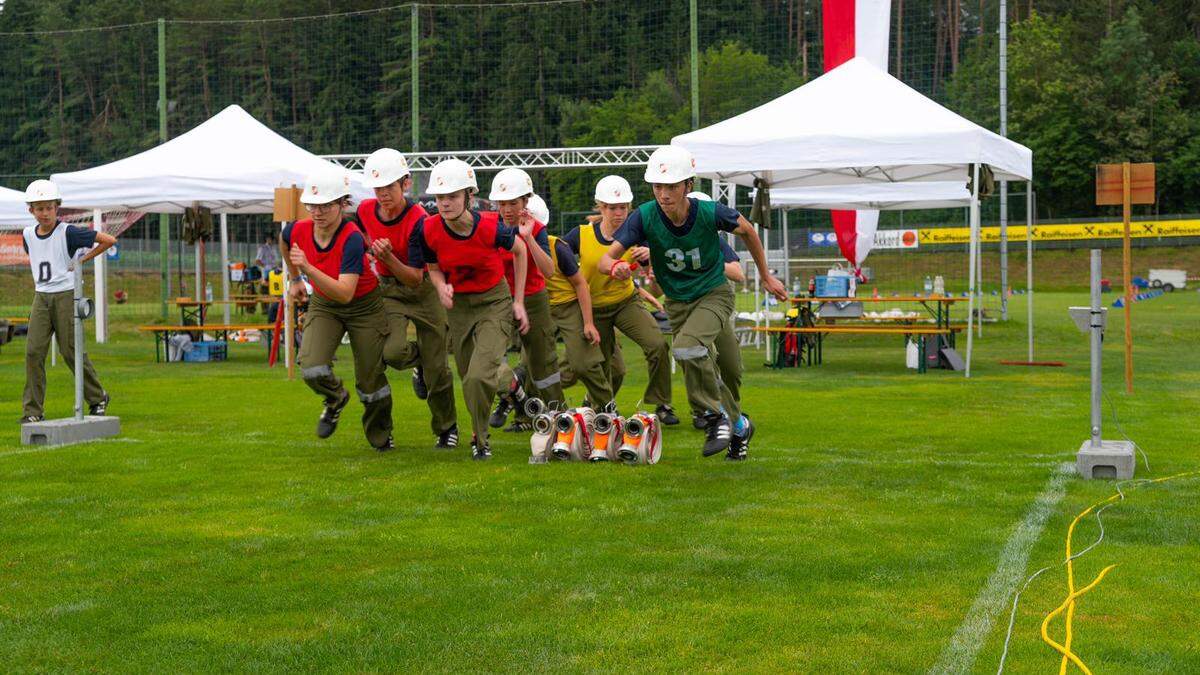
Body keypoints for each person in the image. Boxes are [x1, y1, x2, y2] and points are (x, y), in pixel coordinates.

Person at [599, 146, 787, 460]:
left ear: (688, 185)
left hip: (713, 295)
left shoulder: (709, 212)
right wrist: (615, 267)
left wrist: (766, 277)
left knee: (726, 365)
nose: (663, 193)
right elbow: (607, 258)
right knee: (697, 354)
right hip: (678, 302)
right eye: (658, 186)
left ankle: (716, 417)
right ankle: (733, 423)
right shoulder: (644, 216)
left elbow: (749, 231)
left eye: (671, 186)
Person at [410, 159, 530, 460]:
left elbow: (520, 251)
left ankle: (480, 438)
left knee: (478, 375)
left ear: (469, 196)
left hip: (493, 303)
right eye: (439, 197)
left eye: (452, 196)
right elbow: (433, 268)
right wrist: (440, 287)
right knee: (468, 377)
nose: (445, 203)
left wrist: (517, 301)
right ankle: (512, 392)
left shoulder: (491, 226)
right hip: (459, 308)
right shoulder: (428, 229)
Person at [282, 167, 393, 451]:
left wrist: (307, 268)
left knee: (371, 381)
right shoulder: (297, 228)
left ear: (343, 204)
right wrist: (295, 278)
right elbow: (286, 242)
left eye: (326, 205)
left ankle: (381, 434)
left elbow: (345, 293)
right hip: (324, 304)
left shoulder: (352, 238)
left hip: (364, 306)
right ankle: (335, 399)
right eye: (313, 206)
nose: (317, 212)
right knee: (311, 367)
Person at [359, 148, 459, 449]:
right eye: (378, 188)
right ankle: (419, 363)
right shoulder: (365, 210)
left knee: (438, 368)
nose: (383, 194)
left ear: (405, 184)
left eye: (389, 186)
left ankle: (446, 427)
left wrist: (387, 257)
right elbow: (365, 236)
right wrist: (374, 254)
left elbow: (415, 277)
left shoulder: (419, 220)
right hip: (389, 291)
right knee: (391, 353)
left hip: (423, 289)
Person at [561, 175, 678, 425]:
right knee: (607, 369)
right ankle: (597, 408)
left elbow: (656, 285)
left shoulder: (638, 236)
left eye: (623, 207)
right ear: (600, 207)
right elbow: (556, 263)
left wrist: (653, 256)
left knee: (657, 344)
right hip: (593, 309)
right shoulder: (579, 235)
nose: (619, 213)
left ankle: (661, 403)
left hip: (626, 302)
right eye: (612, 207)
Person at [20, 179, 115, 423]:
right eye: (39, 208)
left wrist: (82, 261)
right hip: (41, 296)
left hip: (65, 294)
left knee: (70, 351)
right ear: (31, 210)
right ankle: (32, 412)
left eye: (49, 207)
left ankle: (97, 397)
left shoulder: (68, 232)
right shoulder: (28, 234)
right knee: (33, 352)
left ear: (57, 208)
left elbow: (108, 240)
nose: (45, 213)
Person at [485, 169, 564, 431]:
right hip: (498, 300)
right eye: (502, 203)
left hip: (533, 299)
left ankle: (558, 418)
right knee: (489, 357)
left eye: (513, 203)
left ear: (525, 202)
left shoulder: (537, 229)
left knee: (544, 365)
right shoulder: (488, 227)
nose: (507, 209)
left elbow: (549, 270)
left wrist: (528, 237)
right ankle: (514, 399)